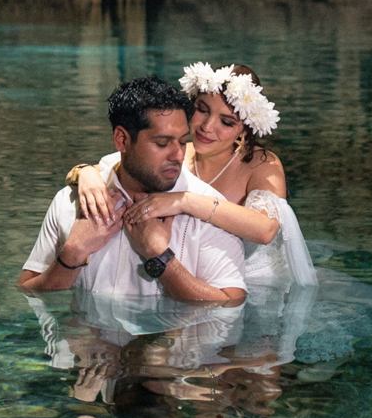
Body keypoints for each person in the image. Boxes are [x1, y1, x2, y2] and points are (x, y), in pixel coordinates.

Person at [70, 62, 317, 287]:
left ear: (243, 130)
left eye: (226, 122)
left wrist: (183, 201)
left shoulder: (261, 163)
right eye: (202, 109)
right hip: (180, 274)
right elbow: (119, 164)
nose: (207, 127)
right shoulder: (176, 153)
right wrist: (85, 174)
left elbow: (265, 230)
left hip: (252, 285)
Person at [18, 76, 248, 305]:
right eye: (162, 143)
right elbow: (28, 290)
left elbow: (231, 303)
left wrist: (160, 257)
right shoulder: (71, 201)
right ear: (122, 140)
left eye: (181, 141)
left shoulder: (207, 212)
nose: (178, 155)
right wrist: (73, 252)